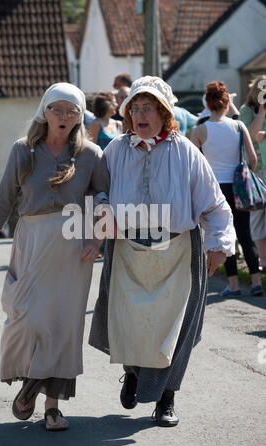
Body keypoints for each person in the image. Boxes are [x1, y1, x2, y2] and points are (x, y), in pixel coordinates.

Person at [89, 76, 235, 428]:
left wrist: (219, 245)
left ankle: (166, 399)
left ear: (165, 113)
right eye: (135, 108)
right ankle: (134, 373)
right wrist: (103, 210)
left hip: (178, 250)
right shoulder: (116, 150)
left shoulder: (184, 151)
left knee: (173, 329)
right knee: (130, 323)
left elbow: (214, 204)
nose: (140, 115)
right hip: (127, 249)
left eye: (149, 108)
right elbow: (99, 191)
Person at [0, 82, 108, 431]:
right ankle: (32, 380)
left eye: (71, 111)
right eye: (57, 109)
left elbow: (104, 202)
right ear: (44, 112)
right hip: (31, 242)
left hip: (72, 248)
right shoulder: (24, 151)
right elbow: (2, 201)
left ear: (80, 116)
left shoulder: (91, 155)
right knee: (27, 318)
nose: (63, 116)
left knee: (64, 327)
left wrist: (96, 241)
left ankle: (52, 407)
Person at [191, 81, 262, 296]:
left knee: (225, 235)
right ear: (226, 102)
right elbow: (252, 160)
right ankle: (256, 281)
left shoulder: (200, 129)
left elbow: (193, 163)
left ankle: (233, 286)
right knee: (245, 235)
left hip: (215, 189)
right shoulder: (238, 127)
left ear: (208, 102)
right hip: (238, 186)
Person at [239, 75, 266, 273]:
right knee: (257, 216)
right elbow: (251, 135)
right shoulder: (247, 111)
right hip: (256, 171)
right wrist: (262, 112)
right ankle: (263, 261)